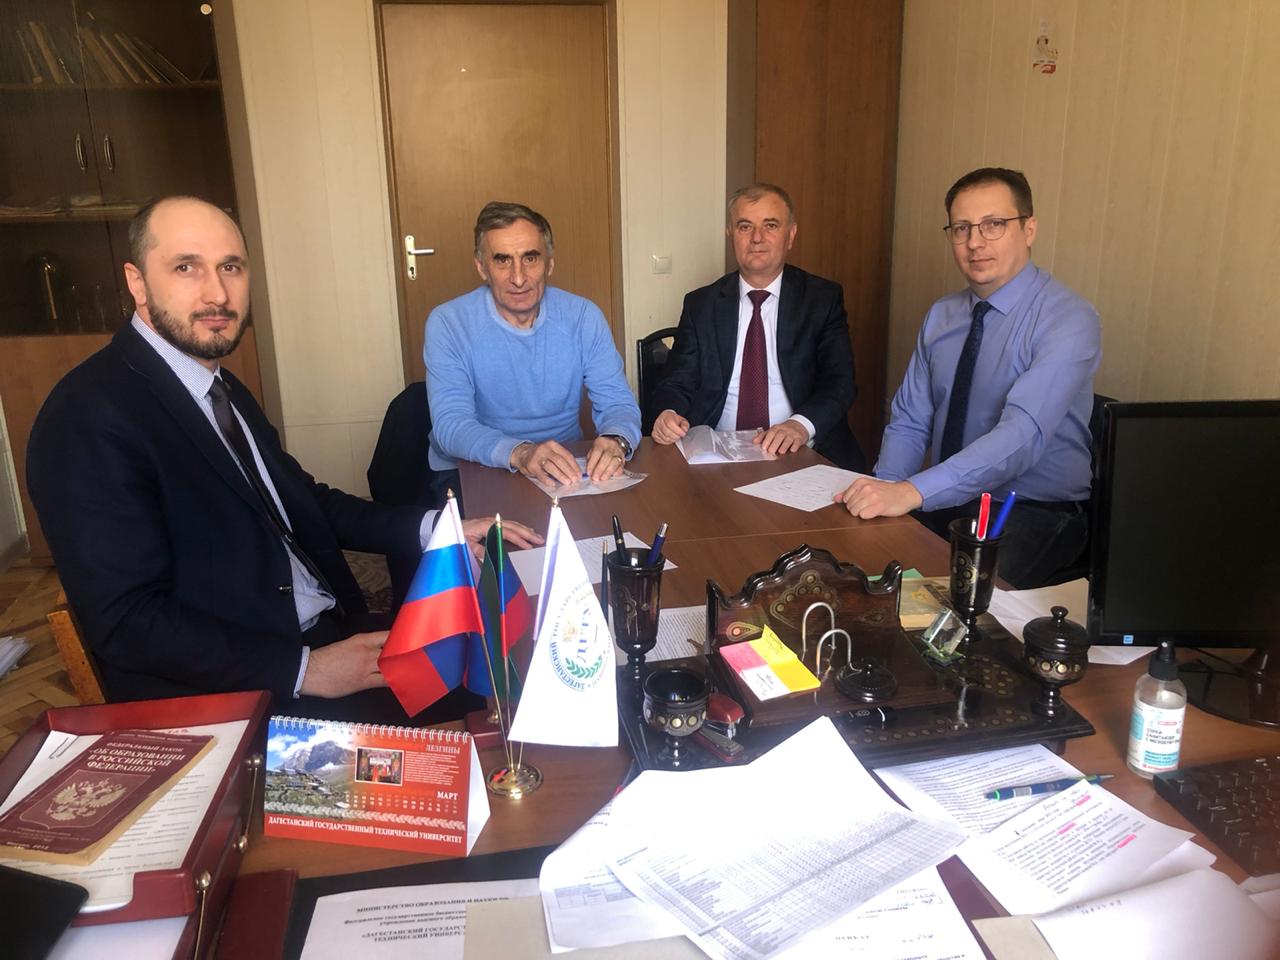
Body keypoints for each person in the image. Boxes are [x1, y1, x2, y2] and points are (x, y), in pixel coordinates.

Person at [26, 196, 539, 723]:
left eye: (231, 267)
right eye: (186, 268)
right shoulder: (86, 418)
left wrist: (439, 528)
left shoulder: (217, 386)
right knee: (508, 701)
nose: (217, 293)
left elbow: (305, 501)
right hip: (238, 697)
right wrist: (305, 669)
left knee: (510, 657)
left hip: (314, 636)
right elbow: (127, 622)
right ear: (137, 283)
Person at [835, 168, 1101, 588]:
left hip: (1031, 510)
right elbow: (910, 421)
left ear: (1029, 229)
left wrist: (912, 493)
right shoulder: (942, 315)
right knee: (857, 569)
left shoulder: (1068, 318)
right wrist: (883, 490)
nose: (975, 242)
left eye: (993, 224)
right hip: (949, 496)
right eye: (962, 228)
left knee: (943, 601)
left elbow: (1021, 437)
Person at [424, 201, 641, 490]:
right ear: (481, 267)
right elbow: (451, 425)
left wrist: (617, 439)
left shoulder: (583, 316)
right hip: (475, 466)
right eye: (502, 260)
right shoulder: (448, 323)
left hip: (566, 468)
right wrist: (521, 453)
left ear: (549, 263)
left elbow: (617, 401)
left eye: (530, 258)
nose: (518, 278)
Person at [648, 183, 865, 471]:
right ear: (731, 235)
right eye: (745, 227)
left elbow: (840, 382)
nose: (757, 238)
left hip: (801, 449)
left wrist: (800, 426)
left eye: (770, 225)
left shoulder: (821, 299)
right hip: (718, 453)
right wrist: (667, 413)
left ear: (791, 235)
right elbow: (677, 381)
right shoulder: (701, 304)